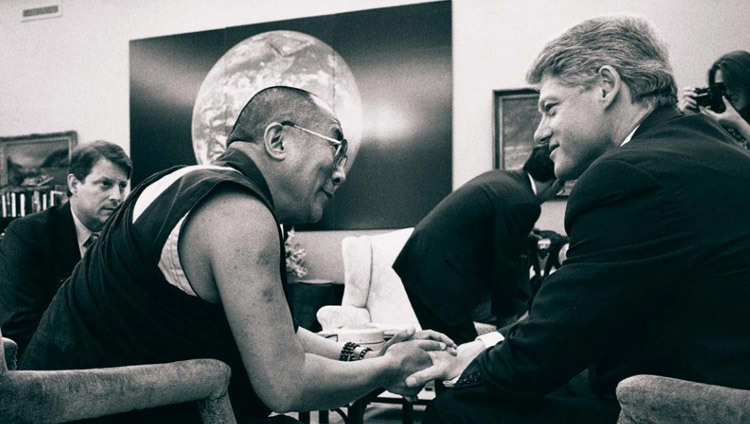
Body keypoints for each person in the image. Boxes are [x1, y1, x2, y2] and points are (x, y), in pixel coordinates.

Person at [20, 86, 453, 423]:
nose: (341, 172)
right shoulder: (239, 212)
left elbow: (272, 333)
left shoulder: (184, 181)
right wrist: (390, 367)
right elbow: (286, 385)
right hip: (87, 413)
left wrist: (364, 355)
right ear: (278, 140)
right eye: (335, 148)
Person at [406, 16, 750, 423]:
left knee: (457, 409)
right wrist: (487, 346)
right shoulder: (714, 148)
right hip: (712, 373)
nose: (538, 133)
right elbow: (582, 311)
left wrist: (458, 370)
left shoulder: (629, 173)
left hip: (682, 399)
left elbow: (551, 347)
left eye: (550, 108)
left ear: (606, 86)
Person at [393, 146, 562, 344]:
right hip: (439, 277)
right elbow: (506, 264)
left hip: (420, 264)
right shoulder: (524, 202)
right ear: (556, 183)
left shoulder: (505, 180)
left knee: (445, 348)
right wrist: (506, 321)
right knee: (460, 353)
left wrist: (523, 235)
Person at [0, 140, 132, 356]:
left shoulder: (124, 240)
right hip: (50, 370)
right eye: (105, 184)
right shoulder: (26, 234)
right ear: (74, 185)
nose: (117, 197)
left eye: (122, 186)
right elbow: (17, 325)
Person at [678, 50, 750, 148]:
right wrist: (689, 120)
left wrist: (739, 123)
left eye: (732, 85)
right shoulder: (715, 120)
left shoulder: (733, 122)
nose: (728, 92)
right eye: (721, 87)